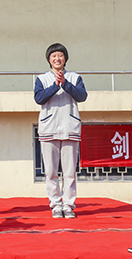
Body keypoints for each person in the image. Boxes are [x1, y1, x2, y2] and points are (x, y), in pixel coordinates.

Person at [34, 43, 87, 219]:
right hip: (49, 129)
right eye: (54, 56)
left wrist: (65, 83)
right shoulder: (41, 79)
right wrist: (56, 85)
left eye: (60, 56)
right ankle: (56, 204)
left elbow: (82, 96)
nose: (57, 59)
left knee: (70, 170)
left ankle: (69, 205)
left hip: (70, 127)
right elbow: (39, 98)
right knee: (51, 171)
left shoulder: (75, 77)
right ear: (49, 59)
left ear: (65, 59)